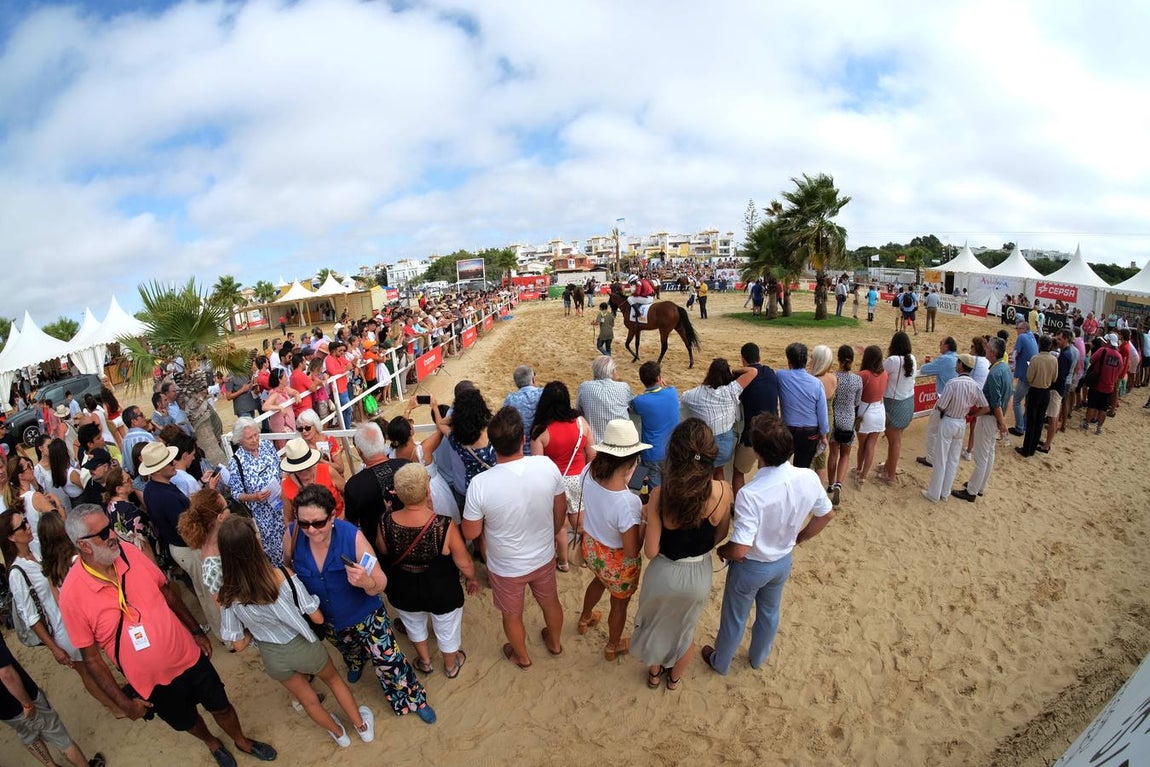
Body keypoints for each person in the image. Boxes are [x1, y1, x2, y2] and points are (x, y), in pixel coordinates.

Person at [59, 503, 278, 766]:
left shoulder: (127, 553)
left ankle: (241, 740)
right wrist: (123, 704)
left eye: (111, 528)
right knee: (186, 720)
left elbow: (166, 591)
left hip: (187, 655)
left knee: (220, 705)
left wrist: (196, 630)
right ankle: (212, 742)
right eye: (104, 533)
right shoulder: (72, 595)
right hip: (151, 682)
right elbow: (92, 660)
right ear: (83, 545)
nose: (113, 536)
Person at [217, 515, 375, 748]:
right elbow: (317, 617)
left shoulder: (227, 595)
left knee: (308, 701)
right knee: (334, 681)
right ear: (254, 543)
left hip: (273, 656)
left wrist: (254, 629)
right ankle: (362, 728)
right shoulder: (283, 576)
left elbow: (238, 644)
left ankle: (339, 734)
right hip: (304, 645)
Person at [284, 485, 435, 722]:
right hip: (328, 619)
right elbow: (288, 569)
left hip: (366, 615)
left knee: (389, 660)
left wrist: (366, 582)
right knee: (348, 648)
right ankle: (356, 662)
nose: (311, 530)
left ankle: (411, 699)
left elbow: (381, 582)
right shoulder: (292, 535)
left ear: (332, 516)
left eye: (318, 523)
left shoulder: (351, 536)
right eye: (304, 523)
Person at [702, 414, 833, 675]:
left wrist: (722, 550)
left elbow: (740, 549)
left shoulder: (751, 494)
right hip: (782, 560)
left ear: (759, 453)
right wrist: (800, 537)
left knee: (735, 618)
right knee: (770, 613)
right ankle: (757, 658)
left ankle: (721, 662)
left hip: (752, 565)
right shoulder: (808, 477)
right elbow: (827, 514)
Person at [462, 407, 567, 670]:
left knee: (512, 614)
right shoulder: (546, 466)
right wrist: (551, 535)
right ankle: (555, 643)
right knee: (550, 601)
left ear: (492, 444)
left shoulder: (481, 484)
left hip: (506, 565)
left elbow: (471, 532)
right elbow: (560, 511)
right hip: (543, 555)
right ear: (522, 439)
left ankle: (522, 657)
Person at [631, 418, 731, 690]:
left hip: (664, 572)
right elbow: (719, 536)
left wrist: (647, 520)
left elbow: (651, 551)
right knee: (685, 631)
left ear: (673, 453)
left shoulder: (660, 495)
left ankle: (654, 674)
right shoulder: (723, 492)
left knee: (656, 626)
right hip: (698, 574)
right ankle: (674, 679)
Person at [1, 509, 125, 717]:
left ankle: (116, 696)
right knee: (86, 670)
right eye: (22, 525)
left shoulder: (36, 549)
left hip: (73, 618)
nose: (28, 526)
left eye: (25, 521)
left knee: (95, 664)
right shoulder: (16, 572)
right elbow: (30, 616)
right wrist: (54, 648)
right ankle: (114, 706)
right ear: (11, 537)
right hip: (61, 628)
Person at [378, 463, 479, 678]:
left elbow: (383, 549)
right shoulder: (443, 525)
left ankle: (425, 662)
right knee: (447, 628)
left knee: (414, 625)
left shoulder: (385, 521)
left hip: (403, 589)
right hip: (441, 589)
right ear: (426, 491)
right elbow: (464, 562)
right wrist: (472, 579)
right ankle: (451, 666)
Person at [572, 420, 648, 662]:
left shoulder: (589, 470)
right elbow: (632, 549)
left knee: (597, 581)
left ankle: (585, 618)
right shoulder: (628, 503)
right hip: (616, 561)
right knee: (619, 605)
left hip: (592, 548)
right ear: (630, 461)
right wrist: (644, 522)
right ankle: (612, 646)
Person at [140, 441, 221, 639]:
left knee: (205, 589)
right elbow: (188, 528)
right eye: (169, 463)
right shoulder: (165, 495)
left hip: (180, 547)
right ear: (158, 468)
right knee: (210, 591)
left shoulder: (153, 489)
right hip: (189, 547)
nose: (174, 464)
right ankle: (225, 635)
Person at [0, 630, 106, 767]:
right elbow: (6, 674)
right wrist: (26, 704)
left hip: (5, 712)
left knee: (29, 736)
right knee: (61, 739)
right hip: (23, 698)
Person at [529, 381, 596, 573]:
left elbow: (538, 467)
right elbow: (592, 456)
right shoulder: (581, 423)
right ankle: (583, 557)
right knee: (581, 523)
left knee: (558, 526)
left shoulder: (540, 431)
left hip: (554, 482)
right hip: (577, 479)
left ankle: (563, 561)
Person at [921, 355, 988, 502]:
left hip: (949, 421)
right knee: (952, 459)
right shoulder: (974, 385)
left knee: (941, 458)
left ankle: (934, 493)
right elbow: (985, 406)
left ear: (961, 365)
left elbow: (941, 405)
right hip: (961, 422)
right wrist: (971, 413)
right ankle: (945, 492)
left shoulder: (953, 383)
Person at [955, 337, 1013, 502]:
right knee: (989, 452)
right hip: (994, 418)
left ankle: (972, 491)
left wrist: (1001, 423)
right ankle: (979, 486)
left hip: (989, 418)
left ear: (993, 353)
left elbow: (994, 404)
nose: (985, 350)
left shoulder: (995, 372)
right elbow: (1007, 396)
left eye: (988, 349)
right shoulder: (1004, 368)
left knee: (981, 456)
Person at [681, 358, 758, 479]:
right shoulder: (730, 391)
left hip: (705, 442)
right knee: (719, 470)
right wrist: (735, 371)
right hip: (726, 442)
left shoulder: (694, 394)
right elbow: (753, 371)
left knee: (703, 473)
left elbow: (683, 400)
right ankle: (722, 496)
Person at [226, 417, 285, 567]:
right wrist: (254, 497)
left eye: (256, 435)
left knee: (290, 537)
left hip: (282, 504)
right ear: (239, 440)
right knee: (274, 550)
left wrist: (283, 482)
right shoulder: (236, 462)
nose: (254, 440)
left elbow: (280, 469)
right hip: (262, 515)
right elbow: (236, 493)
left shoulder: (266, 445)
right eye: (249, 438)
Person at [387, 401, 458, 522]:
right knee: (445, 522)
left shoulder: (392, 452)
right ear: (411, 432)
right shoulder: (423, 449)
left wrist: (408, 410)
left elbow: (399, 431)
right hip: (434, 491)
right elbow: (441, 429)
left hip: (409, 492)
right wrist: (435, 407)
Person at [344, 422, 408, 554]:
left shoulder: (354, 485)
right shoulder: (406, 466)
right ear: (383, 442)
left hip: (378, 550)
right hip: (414, 540)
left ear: (359, 451)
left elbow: (352, 524)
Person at [732, 343, 779, 494]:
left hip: (752, 434)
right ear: (759, 358)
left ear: (742, 360)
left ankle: (740, 505)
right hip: (773, 430)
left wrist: (736, 370)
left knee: (738, 471)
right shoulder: (770, 372)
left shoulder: (742, 378)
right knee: (766, 470)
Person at [775, 344, 829, 471]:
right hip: (809, 432)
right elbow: (822, 411)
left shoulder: (781, 376)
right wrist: (824, 435)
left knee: (781, 467)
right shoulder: (816, 383)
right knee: (802, 469)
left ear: (789, 361)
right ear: (806, 361)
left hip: (788, 428)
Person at [629, 360, 680, 488]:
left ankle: (637, 489)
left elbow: (631, 406)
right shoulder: (672, 392)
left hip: (652, 455)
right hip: (673, 452)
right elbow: (668, 389)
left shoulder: (640, 401)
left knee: (654, 492)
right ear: (659, 378)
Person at [5, 454, 66, 558]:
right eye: (28, 466)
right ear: (21, 476)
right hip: (52, 548)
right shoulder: (35, 497)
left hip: (36, 551)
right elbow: (61, 522)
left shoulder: (14, 500)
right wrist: (58, 502)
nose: (32, 468)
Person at [877, 332, 917, 485]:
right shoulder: (912, 359)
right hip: (907, 403)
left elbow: (879, 372)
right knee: (896, 439)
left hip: (894, 405)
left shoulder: (893, 360)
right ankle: (889, 466)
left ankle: (890, 474)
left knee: (894, 442)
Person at [915, 337, 959, 469]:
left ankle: (931, 458)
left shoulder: (945, 359)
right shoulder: (957, 358)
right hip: (955, 400)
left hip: (944, 399)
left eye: (941, 344)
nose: (939, 346)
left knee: (933, 430)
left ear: (946, 346)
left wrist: (932, 362)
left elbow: (924, 369)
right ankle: (939, 456)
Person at [827, 345, 862, 507]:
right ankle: (839, 483)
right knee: (845, 455)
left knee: (833, 454)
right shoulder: (857, 380)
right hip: (848, 419)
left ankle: (830, 484)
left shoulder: (833, 377)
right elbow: (857, 402)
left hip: (835, 419)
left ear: (838, 359)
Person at [444, 387, 497, 495]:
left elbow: (441, 424)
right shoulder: (494, 429)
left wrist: (457, 417)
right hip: (494, 487)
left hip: (473, 489)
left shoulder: (457, 440)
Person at [280, 438, 345, 521]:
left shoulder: (327, 471)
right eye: (299, 470)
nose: (304, 473)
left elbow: (348, 493)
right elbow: (288, 519)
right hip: (309, 530)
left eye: (307, 468)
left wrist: (344, 513)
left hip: (338, 522)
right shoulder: (286, 486)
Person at [575, 355, 633, 443]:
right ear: (612, 371)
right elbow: (631, 407)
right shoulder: (623, 387)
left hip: (596, 445)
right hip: (621, 443)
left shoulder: (584, 387)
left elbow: (579, 410)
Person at [1017, 335, 1057, 457]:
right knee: (1039, 420)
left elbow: (1029, 377)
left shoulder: (1035, 359)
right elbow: (1055, 377)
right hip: (1046, 391)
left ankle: (1026, 449)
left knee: (1031, 420)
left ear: (1039, 344)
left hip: (1035, 390)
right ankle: (1033, 448)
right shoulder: (1054, 359)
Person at [807, 345, 837, 487]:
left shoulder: (812, 381)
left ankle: (809, 489)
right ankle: (819, 491)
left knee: (810, 457)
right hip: (829, 420)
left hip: (815, 421)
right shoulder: (832, 378)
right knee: (822, 456)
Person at [503, 365, 543, 455]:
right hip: (543, 449)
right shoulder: (543, 393)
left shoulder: (510, 399)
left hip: (520, 451)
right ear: (533, 379)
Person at [1008, 319, 1038, 436]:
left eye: (1018, 329)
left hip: (1025, 374)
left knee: (1016, 401)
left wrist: (1011, 364)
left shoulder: (1022, 337)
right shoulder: (1032, 336)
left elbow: (1015, 353)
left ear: (1024, 329)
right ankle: (1024, 424)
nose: (1016, 331)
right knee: (1027, 402)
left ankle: (1019, 428)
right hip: (1032, 373)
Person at [119, 405, 155, 476]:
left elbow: (125, 466)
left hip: (136, 479)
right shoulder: (146, 436)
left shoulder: (125, 441)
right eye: (141, 415)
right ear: (134, 421)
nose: (144, 416)